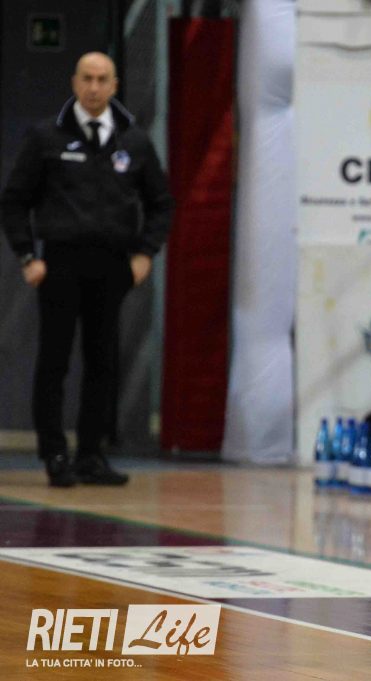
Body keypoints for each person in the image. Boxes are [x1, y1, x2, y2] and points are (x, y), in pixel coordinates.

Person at [1, 52, 173, 488]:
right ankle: (55, 453)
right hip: (59, 262)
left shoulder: (133, 141)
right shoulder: (48, 136)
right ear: (75, 83)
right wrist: (27, 256)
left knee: (103, 362)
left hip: (112, 264)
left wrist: (145, 253)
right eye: (87, 79)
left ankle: (91, 455)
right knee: (54, 360)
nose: (94, 88)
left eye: (102, 80)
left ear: (114, 85)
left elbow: (160, 203)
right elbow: (15, 200)